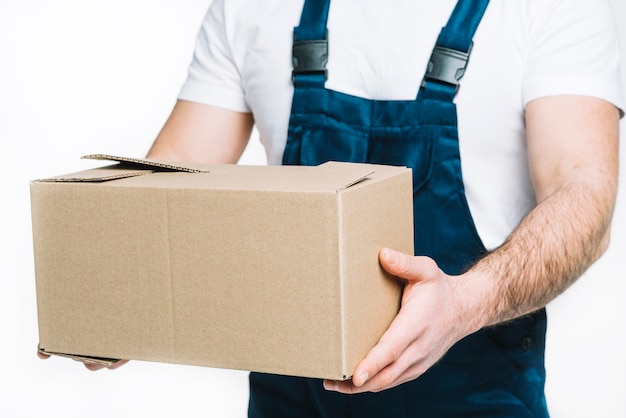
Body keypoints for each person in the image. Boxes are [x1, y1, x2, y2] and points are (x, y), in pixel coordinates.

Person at [50, 0, 623, 416]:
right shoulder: (250, 8)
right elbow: (170, 180)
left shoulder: (555, 7)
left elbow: (583, 192)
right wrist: (113, 301)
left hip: (474, 396)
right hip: (292, 400)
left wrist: (464, 303)